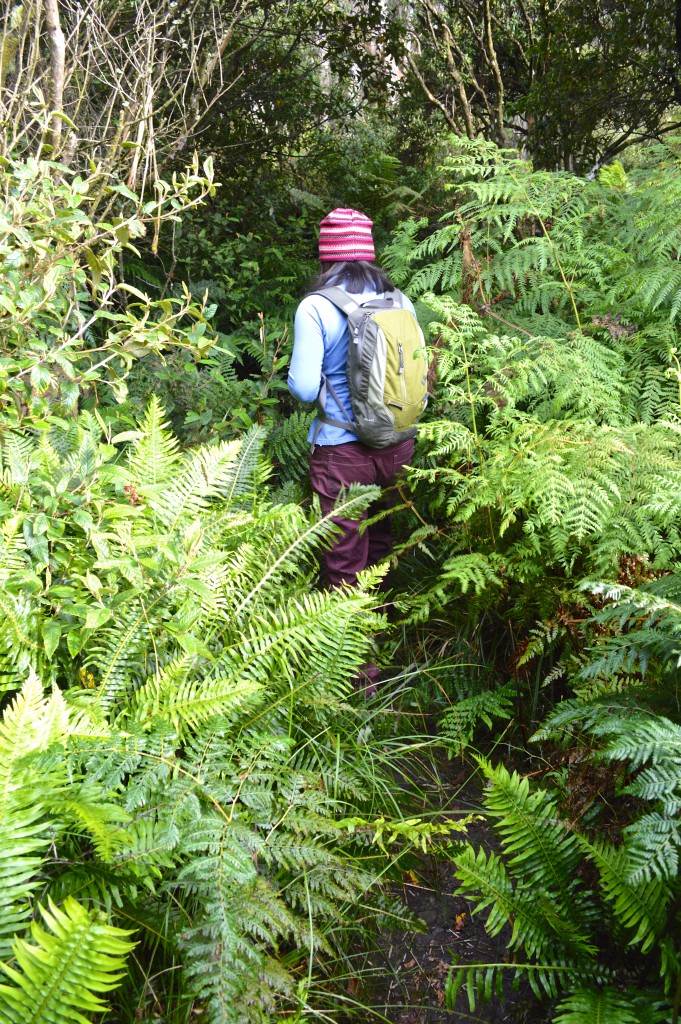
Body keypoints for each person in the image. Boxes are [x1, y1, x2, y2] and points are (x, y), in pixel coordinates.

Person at [287, 208, 417, 689]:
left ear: (327, 254)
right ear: (368, 250)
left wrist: (324, 388)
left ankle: (354, 672)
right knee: (380, 545)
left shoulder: (315, 307)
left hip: (342, 450)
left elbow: (301, 388)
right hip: (396, 444)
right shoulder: (400, 299)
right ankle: (378, 631)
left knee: (344, 556)